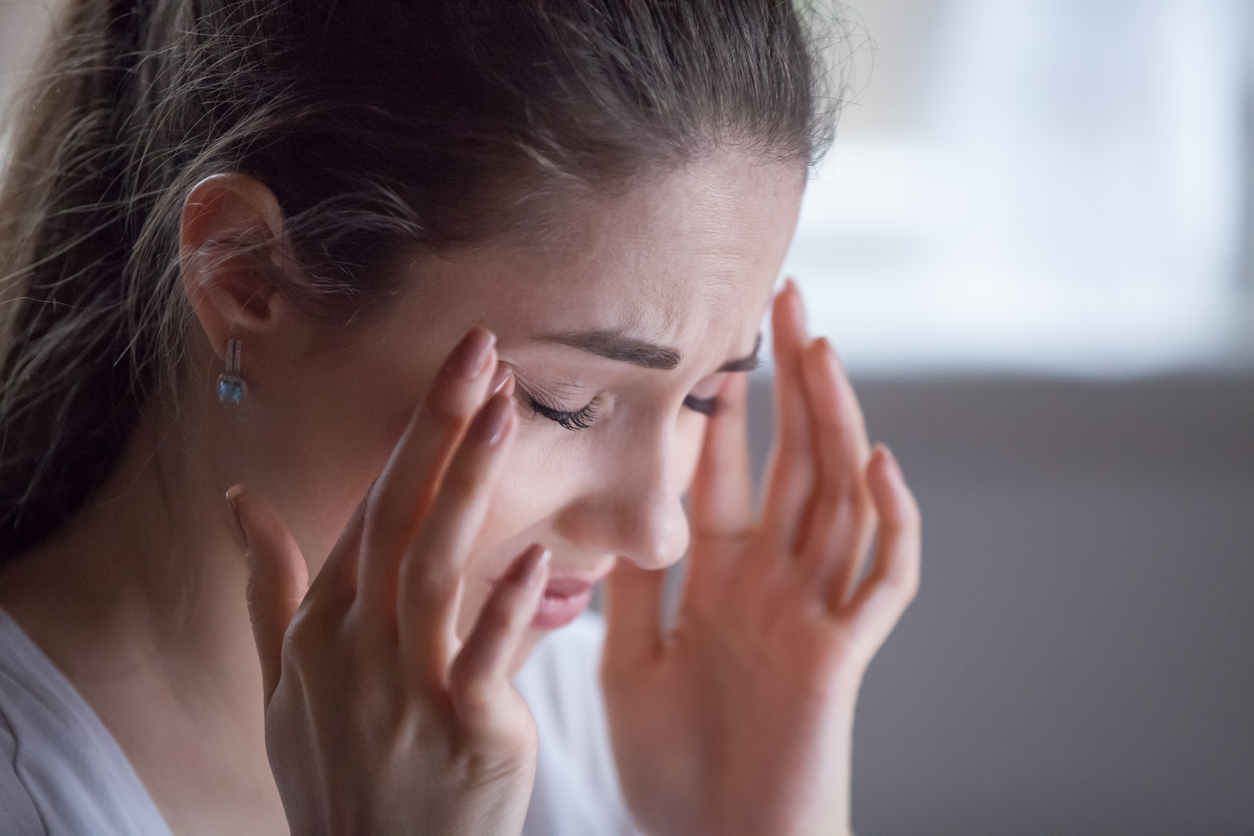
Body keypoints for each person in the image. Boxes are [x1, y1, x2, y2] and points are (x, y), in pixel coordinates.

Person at [0, 1, 921, 834]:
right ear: (245, 274)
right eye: (562, 403)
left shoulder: (600, 726)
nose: (658, 534)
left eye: (703, 397)